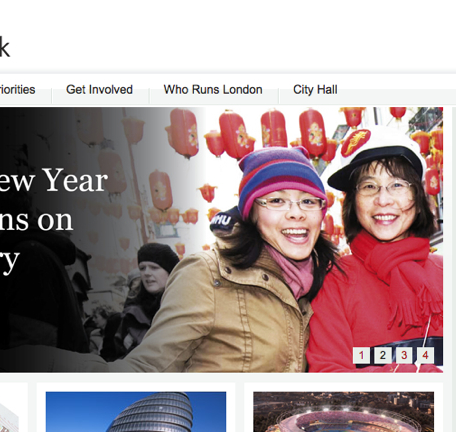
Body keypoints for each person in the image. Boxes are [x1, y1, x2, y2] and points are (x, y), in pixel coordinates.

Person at [110, 146, 339, 372]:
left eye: (308, 201)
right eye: (276, 200)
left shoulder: (326, 282)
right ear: (251, 212)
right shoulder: (206, 273)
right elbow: (150, 366)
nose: (296, 212)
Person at [307, 126, 443, 372]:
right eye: (369, 186)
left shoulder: (449, 272)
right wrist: (420, 375)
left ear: (419, 197)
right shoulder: (335, 280)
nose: (383, 200)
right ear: (353, 203)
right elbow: (328, 375)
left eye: (398, 185)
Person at [106, 243, 179, 360]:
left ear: (170, 271)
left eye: (154, 267)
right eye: (142, 268)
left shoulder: (186, 306)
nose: (147, 273)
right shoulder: (131, 314)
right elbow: (118, 354)